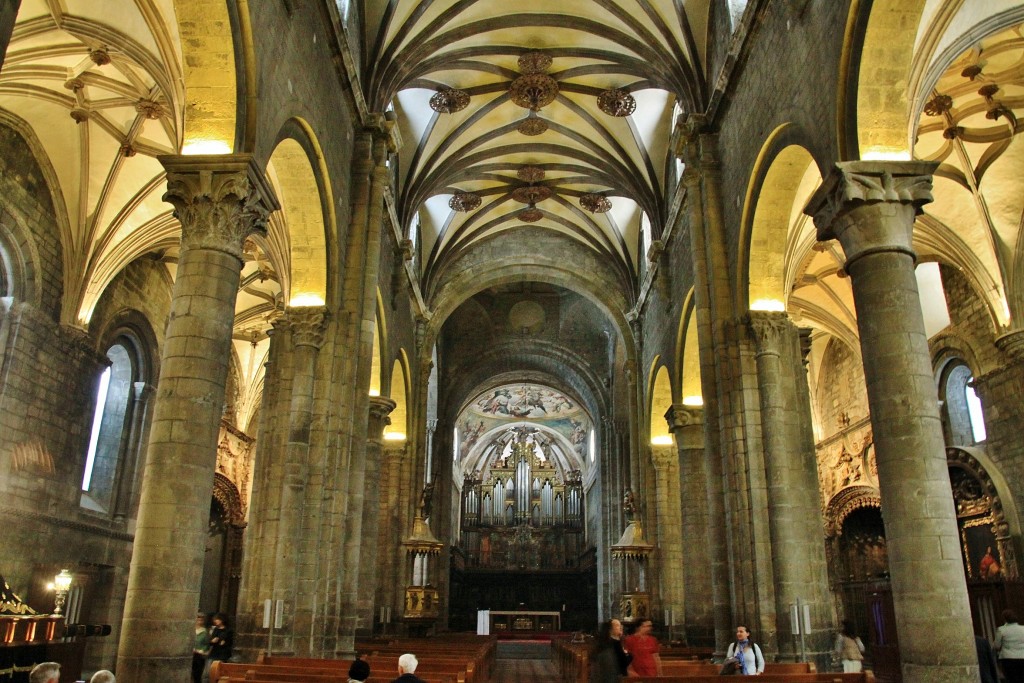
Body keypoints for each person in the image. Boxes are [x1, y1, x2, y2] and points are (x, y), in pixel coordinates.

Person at [590, 619, 631, 683]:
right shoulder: (609, 645)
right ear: (610, 630)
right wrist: (629, 655)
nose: (621, 627)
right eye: (617, 625)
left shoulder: (617, 642)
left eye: (620, 625)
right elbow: (622, 664)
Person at [995, 609, 1024, 683]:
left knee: (1011, 679)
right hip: (1022, 656)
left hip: (1008, 658)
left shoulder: (1001, 630)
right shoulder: (1023, 629)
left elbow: (997, 646)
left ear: (1004, 619)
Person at [193, 612, 211, 683]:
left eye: (201, 620)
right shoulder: (191, 630)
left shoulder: (205, 631)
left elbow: (207, 644)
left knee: (197, 674)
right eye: (198, 620)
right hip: (191, 653)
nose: (199, 622)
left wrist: (202, 650)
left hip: (199, 655)